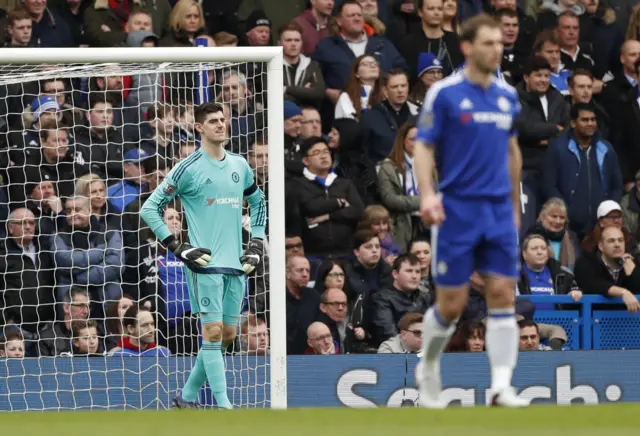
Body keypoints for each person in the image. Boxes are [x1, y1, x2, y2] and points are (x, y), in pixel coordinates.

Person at [412, 14, 527, 407]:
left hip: (497, 210)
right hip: (457, 209)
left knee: (502, 294)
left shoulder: (507, 95)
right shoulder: (444, 93)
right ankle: (427, 365)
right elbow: (423, 146)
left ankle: (500, 385)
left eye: (500, 43)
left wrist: (515, 204)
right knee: (452, 305)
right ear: (467, 47)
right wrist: (427, 194)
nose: (498, 49)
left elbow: (513, 152)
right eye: (489, 43)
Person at [140, 102, 267, 410]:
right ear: (199, 128)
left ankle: (186, 397)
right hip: (204, 264)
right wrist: (177, 246)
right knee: (211, 331)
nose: (221, 125)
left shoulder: (240, 165)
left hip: (237, 263)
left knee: (227, 334)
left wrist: (258, 242)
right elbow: (149, 209)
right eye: (213, 121)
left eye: (223, 119)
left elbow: (259, 202)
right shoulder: (188, 167)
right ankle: (226, 407)